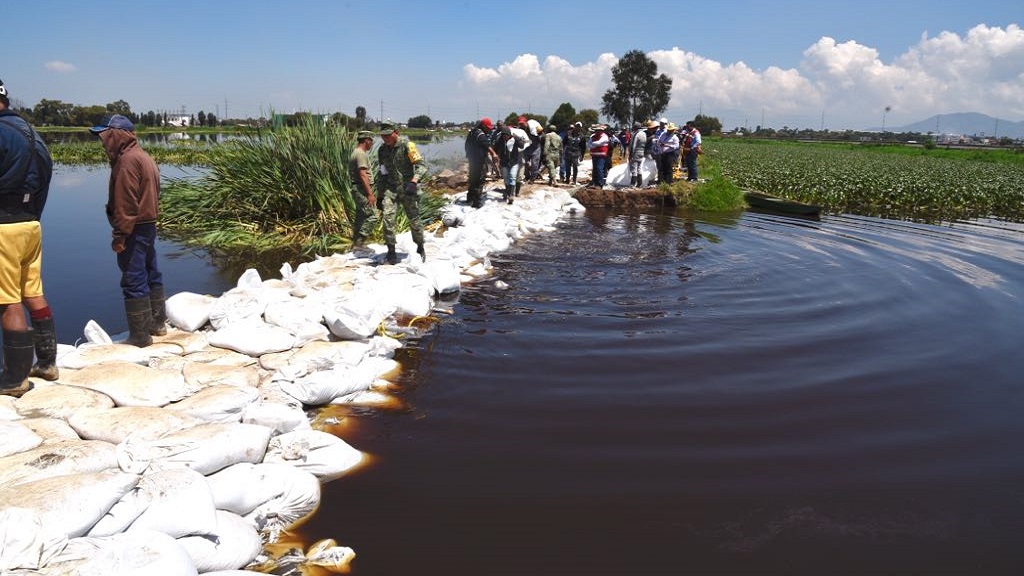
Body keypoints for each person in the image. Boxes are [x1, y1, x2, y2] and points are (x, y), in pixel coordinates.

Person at [0, 79, 57, 395]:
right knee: (32, 291)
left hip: (4, 227)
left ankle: (15, 378)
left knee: (7, 301)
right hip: (30, 225)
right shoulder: (33, 134)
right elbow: (44, 182)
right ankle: (47, 363)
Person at [90, 114, 166, 348]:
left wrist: (119, 236)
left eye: (104, 136)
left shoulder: (127, 161)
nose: (102, 142)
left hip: (133, 227)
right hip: (147, 225)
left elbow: (126, 203)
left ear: (116, 135)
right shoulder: (143, 157)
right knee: (150, 271)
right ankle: (158, 323)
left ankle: (140, 336)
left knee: (134, 278)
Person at [375, 122, 427, 264]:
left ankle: (420, 247)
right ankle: (391, 251)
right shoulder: (382, 151)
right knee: (387, 218)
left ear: (396, 133)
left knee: (414, 220)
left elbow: (421, 166)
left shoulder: (407, 146)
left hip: (408, 188)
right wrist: (380, 196)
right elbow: (383, 173)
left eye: (388, 135)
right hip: (391, 189)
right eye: (383, 135)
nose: (385, 138)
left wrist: (414, 181)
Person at [348, 130, 378, 246]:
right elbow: (362, 175)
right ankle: (360, 241)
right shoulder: (360, 154)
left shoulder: (356, 152)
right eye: (371, 141)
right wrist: (370, 194)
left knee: (360, 218)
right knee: (373, 216)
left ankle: (355, 244)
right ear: (367, 140)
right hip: (361, 189)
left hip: (358, 189)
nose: (372, 144)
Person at [464, 117, 498, 208]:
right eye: (488, 127)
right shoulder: (480, 134)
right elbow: (485, 144)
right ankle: (477, 202)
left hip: (472, 160)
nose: (489, 129)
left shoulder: (472, 132)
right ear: (483, 126)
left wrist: (470, 156)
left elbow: (466, 145)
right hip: (479, 161)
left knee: (472, 179)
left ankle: (469, 198)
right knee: (479, 181)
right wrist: (493, 153)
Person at [627, 121, 647, 188]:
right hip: (642, 152)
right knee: (639, 168)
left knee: (633, 168)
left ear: (635, 127)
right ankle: (640, 183)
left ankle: (633, 183)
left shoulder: (636, 134)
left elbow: (633, 145)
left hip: (635, 152)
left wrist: (630, 155)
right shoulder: (644, 134)